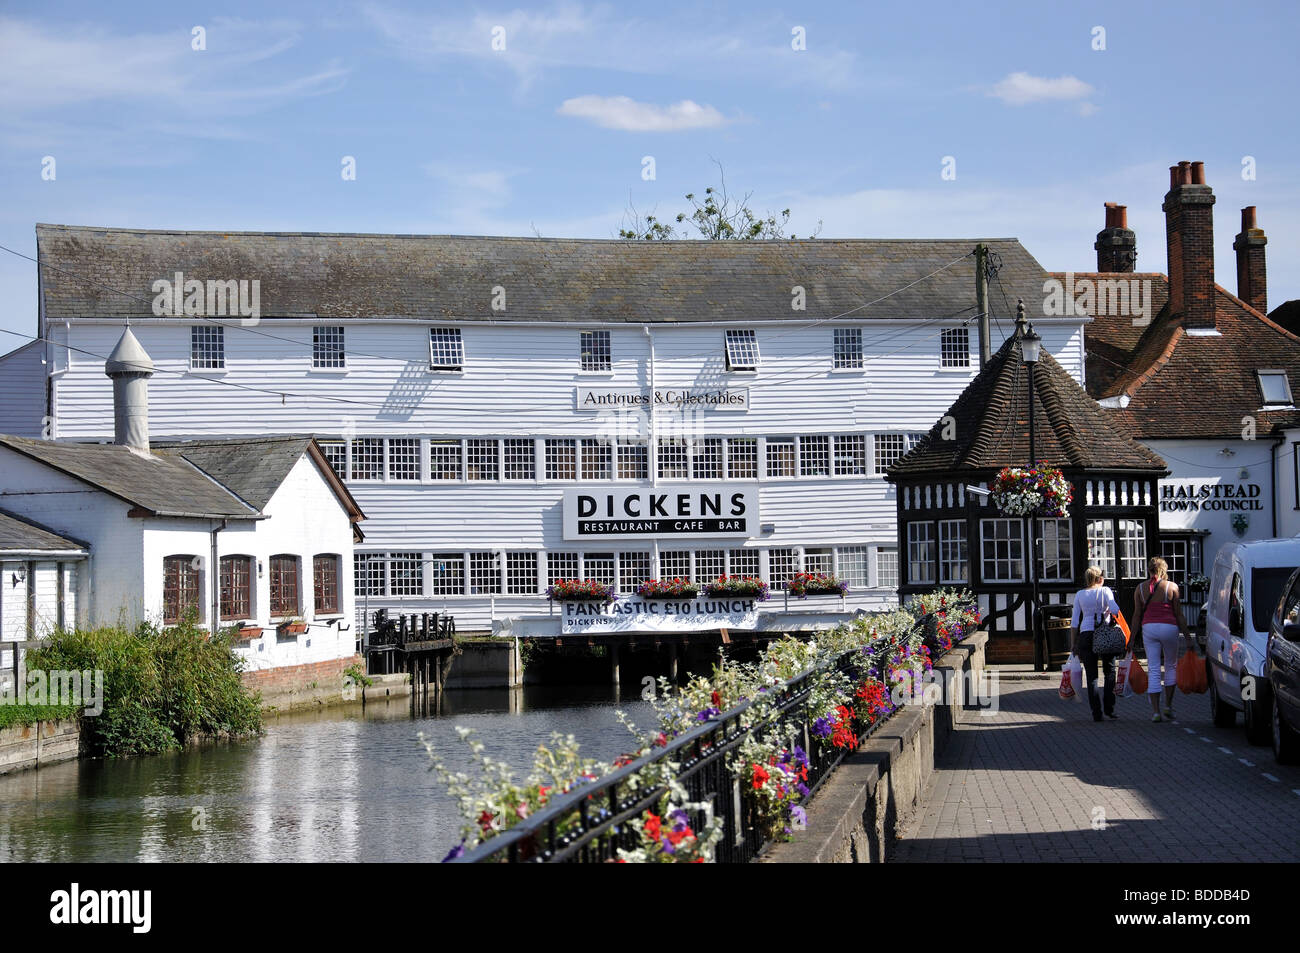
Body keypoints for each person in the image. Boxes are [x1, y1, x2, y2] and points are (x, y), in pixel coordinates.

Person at [1133, 556, 1191, 722]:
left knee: (1153, 668)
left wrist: (1131, 638)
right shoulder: (1172, 587)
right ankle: (1168, 706)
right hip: (1169, 628)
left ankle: (1156, 712)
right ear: (1164, 570)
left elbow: (1136, 615)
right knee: (1171, 666)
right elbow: (1179, 615)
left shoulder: (1140, 589)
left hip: (1149, 628)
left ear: (1149, 570)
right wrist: (1187, 637)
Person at [1071, 566, 1123, 722]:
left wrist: (1073, 643)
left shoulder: (1080, 594)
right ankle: (1109, 708)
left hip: (1086, 634)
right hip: (1105, 632)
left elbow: (1074, 622)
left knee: (1092, 675)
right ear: (1099, 578)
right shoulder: (1105, 590)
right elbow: (1115, 609)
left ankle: (1096, 713)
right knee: (1110, 671)